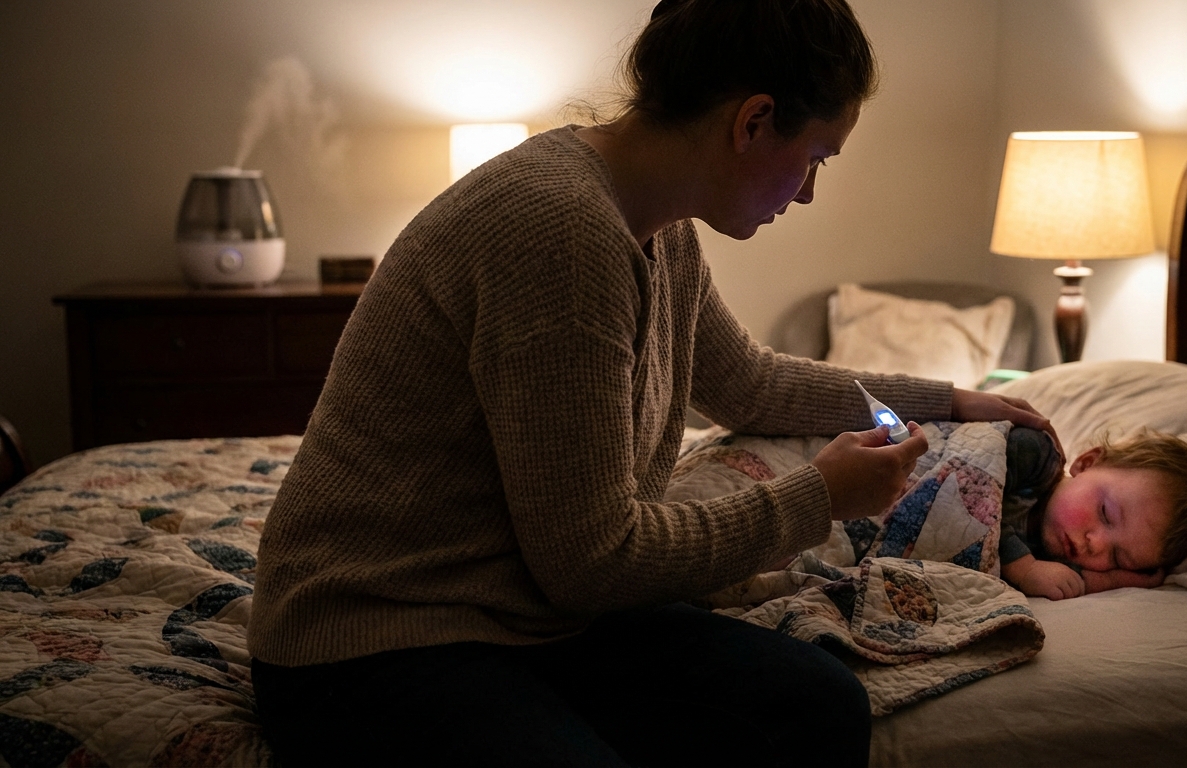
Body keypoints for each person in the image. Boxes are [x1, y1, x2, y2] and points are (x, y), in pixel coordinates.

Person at [246, 1, 1057, 766]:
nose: (809, 191)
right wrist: (817, 496)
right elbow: (593, 561)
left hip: (523, 617)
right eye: (813, 158)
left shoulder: (654, 228)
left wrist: (945, 400)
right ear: (752, 121)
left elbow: (748, 385)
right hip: (378, 638)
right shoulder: (560, 231)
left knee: (817, 704)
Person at [999, 428, 1187, 601]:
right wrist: (1023, 568)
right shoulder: (1032, 453)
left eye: (1117, 557)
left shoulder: (1052, 554)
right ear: (1086, 463)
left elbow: (1066, 581)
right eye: (1106, 514)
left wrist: (1114, 580)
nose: (1097, 544)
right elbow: (968, 495)